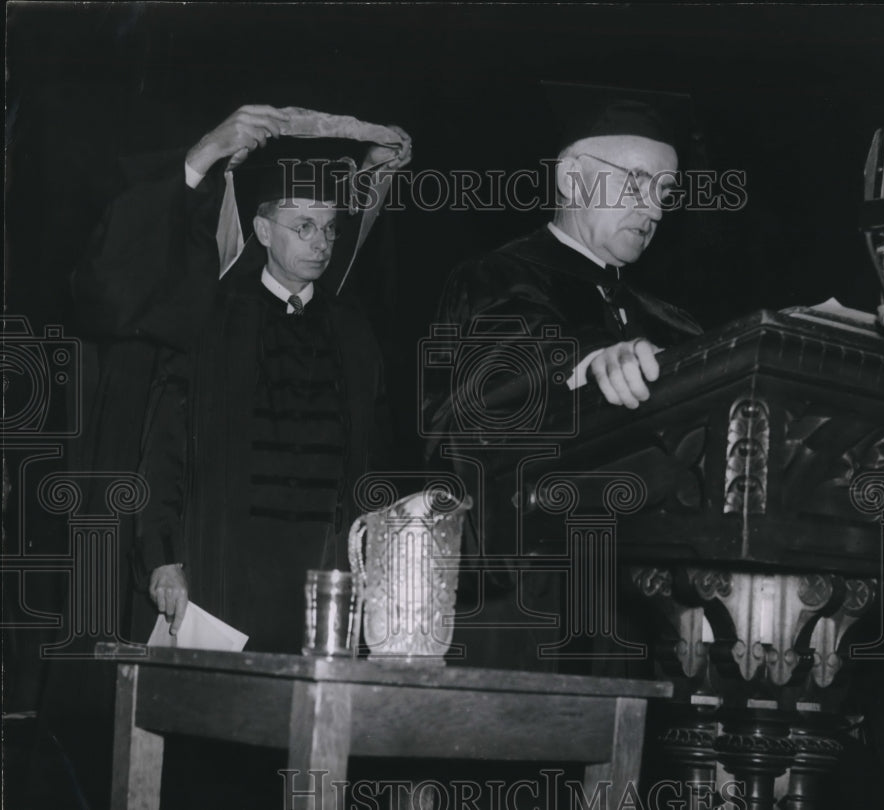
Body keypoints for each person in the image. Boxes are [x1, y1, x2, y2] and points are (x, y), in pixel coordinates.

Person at [72, 105, 410, 652]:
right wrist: (163, 559)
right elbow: (164, 451)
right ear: (261, 229)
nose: (321, 241)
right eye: (303, 226)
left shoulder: (353, 332)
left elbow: (371, 460)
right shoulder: (213, 320)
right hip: (225, 578)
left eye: (329, 227)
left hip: (320, 584)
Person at [424, 84, 702, 674]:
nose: (653, 210)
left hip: (641, 615)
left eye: (665, 191)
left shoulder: (669, 320)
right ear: (572, 179)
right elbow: (460, 420)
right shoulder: (495, 278)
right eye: (635, 183)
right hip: (527, 607)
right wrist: (583, 366)